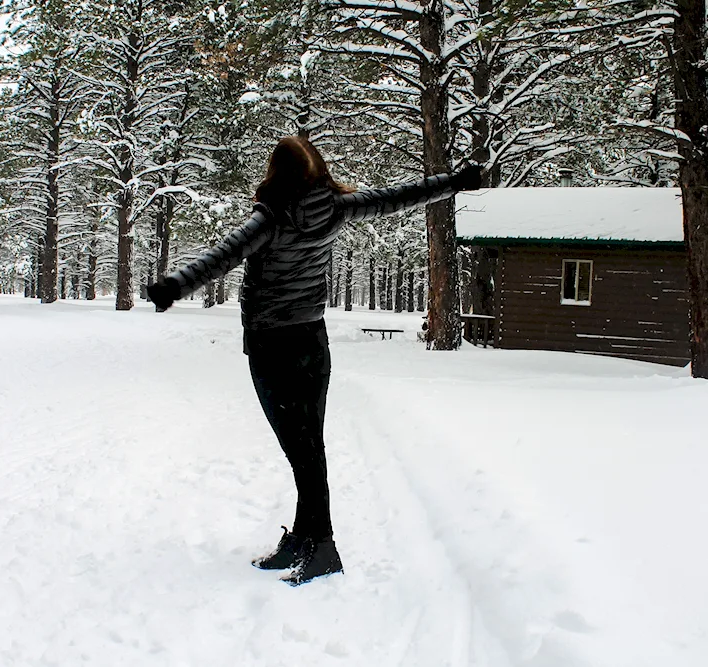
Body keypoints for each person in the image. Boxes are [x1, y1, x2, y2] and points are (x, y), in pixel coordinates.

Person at [148, 137, 482, 585]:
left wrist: (172, 287)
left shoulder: (270, 218)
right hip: (311, 341)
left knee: (302, 452)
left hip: (272, 346)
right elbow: (399, 196)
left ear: (276, 173)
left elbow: (221, 257)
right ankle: (305, 538)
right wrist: (456, 182)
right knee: (308, 450)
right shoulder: (336, 208)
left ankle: (322, 544)